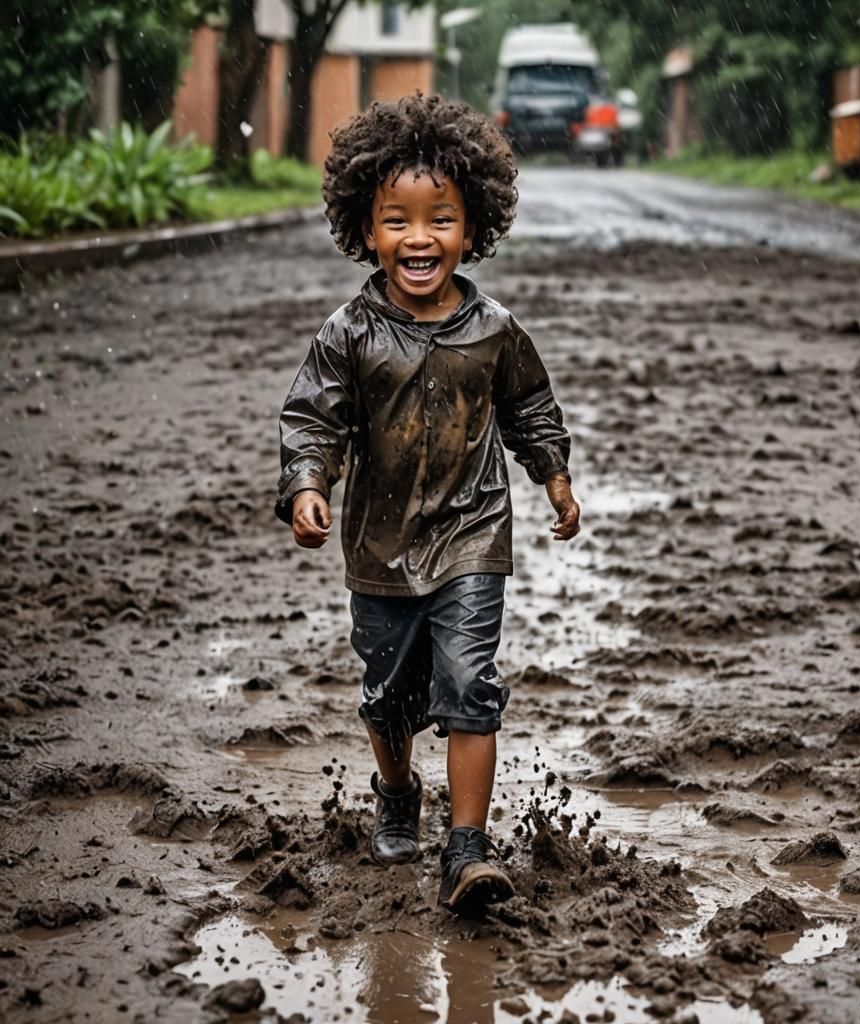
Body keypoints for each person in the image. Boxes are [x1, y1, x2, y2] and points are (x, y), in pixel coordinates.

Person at [274, 94, 580, 915]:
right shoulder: (348, 332)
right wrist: (308, 485)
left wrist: (553, 472)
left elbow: (531, 408)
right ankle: (397, 788)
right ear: (366, 232)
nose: (419, 239)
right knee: (388, 697)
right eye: (397, 222)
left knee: (471, 683)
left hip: (474, 532)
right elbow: (314, 419)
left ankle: (468, 849)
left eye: (440, 219)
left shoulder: (495, 329)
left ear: (472, 229)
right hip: (379, 544)